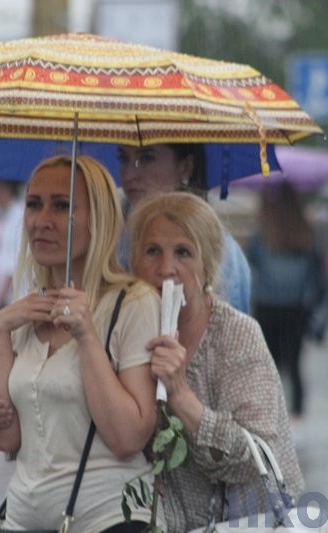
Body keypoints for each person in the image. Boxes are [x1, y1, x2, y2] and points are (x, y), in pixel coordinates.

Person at [0, 155, 162, 532]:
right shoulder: (24, 312)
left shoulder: (133, 303)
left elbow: (128, 437)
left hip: (108, 516)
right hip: (22, 516)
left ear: (98, 217)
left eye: (62, 206)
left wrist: (87, 336)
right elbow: (7, 438)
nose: (42, 220)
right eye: (34, 204)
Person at [128, 191, 303, 531]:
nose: (166, 269)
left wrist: (181, 395)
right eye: (153, 251)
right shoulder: (127, 330)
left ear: (208, 266)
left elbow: (254, 458)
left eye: (183, 253)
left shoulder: (236, 335)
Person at [116, 143, 252, 313]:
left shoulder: (225, 253)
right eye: (124, 158)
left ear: (186, 167)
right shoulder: (115, 244)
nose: (128, 175)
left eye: (146, 158)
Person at [245, 181, 327, 443]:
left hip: (267, 307)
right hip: (296, 309)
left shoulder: (262, 234)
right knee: (295, 364)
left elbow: (252, 263)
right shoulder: (305, 232)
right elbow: (318, 275)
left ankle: (271, 416)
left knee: (270, 365)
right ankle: (298, 421)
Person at [0, 178, 25, 310]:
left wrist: (1, 299)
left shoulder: (19, 215)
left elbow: (12, 260)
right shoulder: (1, 213)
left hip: (10, 298)